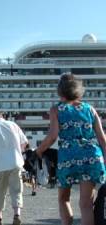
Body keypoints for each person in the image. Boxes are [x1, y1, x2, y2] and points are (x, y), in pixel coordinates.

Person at [36, 74, 106, 225]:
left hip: (68, 157)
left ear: (59, 91)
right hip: (92, 156)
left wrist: (39, 151)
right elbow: (102, 138)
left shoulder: (56, 109)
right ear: (78, 90)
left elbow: (52, 136)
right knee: (86, 204)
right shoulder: (90, 109)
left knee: (63, 198)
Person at [0, 109, 28, 225]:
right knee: (17, 190)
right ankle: (16, 215)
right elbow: (25, 143)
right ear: (1, 116)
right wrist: (18, 152)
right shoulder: (13, 125)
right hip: (16, 163)